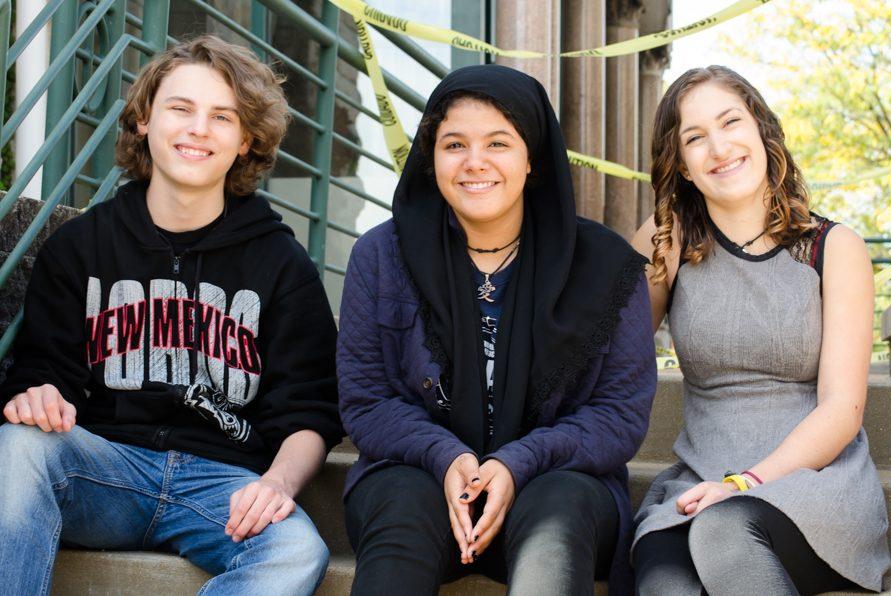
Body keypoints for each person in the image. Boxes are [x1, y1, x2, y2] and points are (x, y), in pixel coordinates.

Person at [0, 36, 343, 595]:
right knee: (16, 448)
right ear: (143, 120)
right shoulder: (80, 248)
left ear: (245, 141)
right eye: (180, 108)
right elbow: (44, 373)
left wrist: (279, 483)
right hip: (104, 469)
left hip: (224, 486)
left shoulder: (282, 264)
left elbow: (311, 409)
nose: (198, 129)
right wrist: (35, 395)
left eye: (222, 117)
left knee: (298, 550)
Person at [337, 64, 656, 596]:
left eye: (499, 143)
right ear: (430, 156)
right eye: (454, 144)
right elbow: (366, 401)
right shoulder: (381, 255)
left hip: (557, 485)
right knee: (400, 506)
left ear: (532, 158)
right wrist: (447, 457)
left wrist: (518, 460)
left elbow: (619, 414)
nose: (474, 163)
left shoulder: (605, 265)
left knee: (559, 508)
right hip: (420, 479)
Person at [630, 65, 891, 595]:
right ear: (680, 164)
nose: (719, 147)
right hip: (698, 477)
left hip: (813, 486)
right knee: (661, 575)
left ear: (762, 131)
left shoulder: (833, 248)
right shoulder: (666, 241)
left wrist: (743, 484)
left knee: (724, 531)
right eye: (695, 138)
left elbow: (842, 410)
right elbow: (608, 359)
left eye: (731, 123)